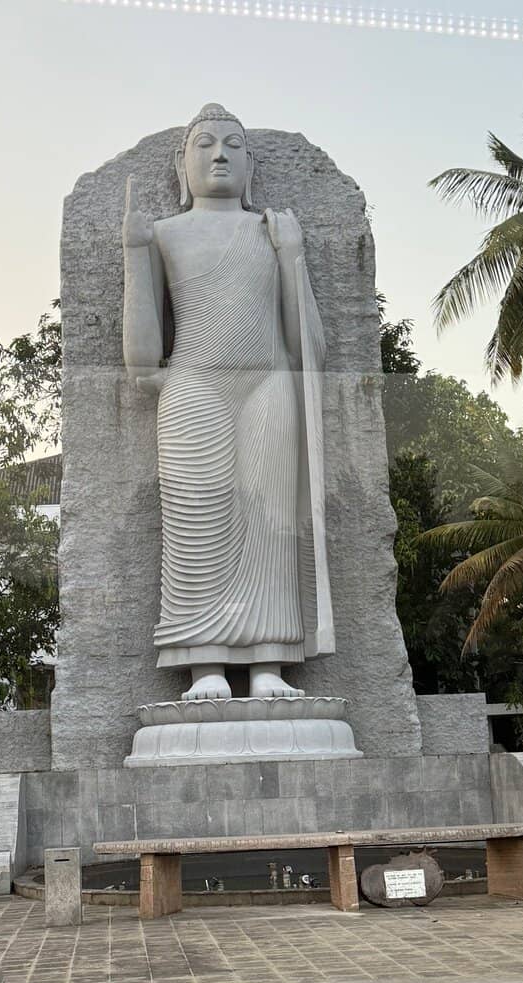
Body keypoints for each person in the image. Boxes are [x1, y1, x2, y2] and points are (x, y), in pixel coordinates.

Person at [123, 103, 334, 702]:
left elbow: (308, 346)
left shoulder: (272, 230)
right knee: (197, 518)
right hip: (193, 384)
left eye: (234, 145)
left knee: (272, 522)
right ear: (180, 162)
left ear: (251, 163)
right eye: (205, 144)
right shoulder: (165, 233)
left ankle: (270, 660)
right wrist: (134, 253)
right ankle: (204, 663)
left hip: (268, 384)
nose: (219, 155)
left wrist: (292, 255)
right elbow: (142, 364)